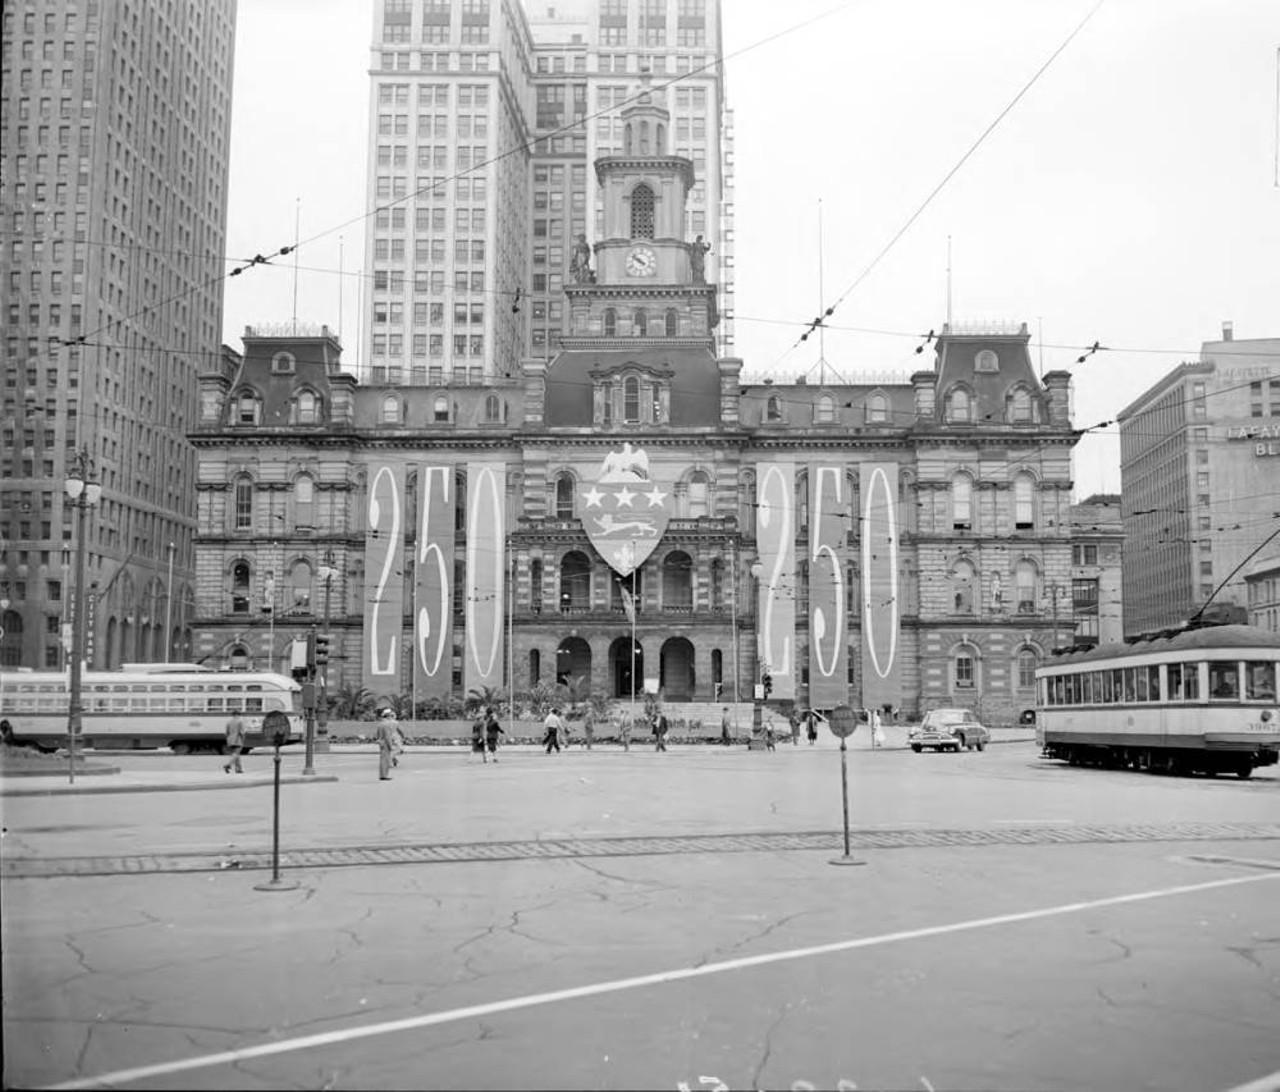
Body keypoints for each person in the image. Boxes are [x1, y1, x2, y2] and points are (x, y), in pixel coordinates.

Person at [376, 709, 398, 780]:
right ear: (388, 717)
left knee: (382, 759)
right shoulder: (386, 725)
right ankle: (384, 775)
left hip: (381, 742)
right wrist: (390, 746)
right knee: (385, 760)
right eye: (390, 716)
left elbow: (377, 734)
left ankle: (382, 774)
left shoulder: (380, 724)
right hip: (385, 743)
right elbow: (387, 737)